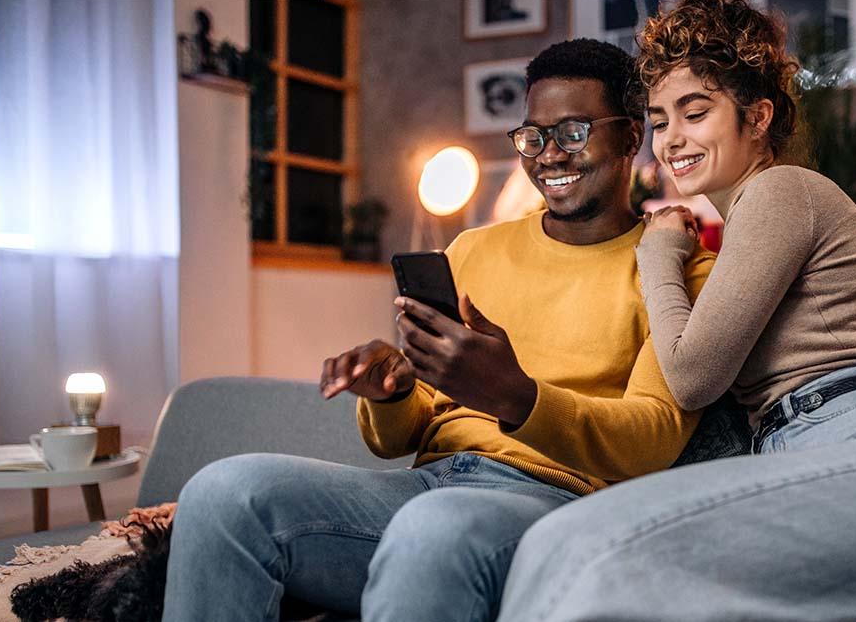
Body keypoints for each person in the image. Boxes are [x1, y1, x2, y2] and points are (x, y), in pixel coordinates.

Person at [161, 38, 714, 622]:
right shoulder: (475, 248)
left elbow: (652, 439)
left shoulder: (676, 267)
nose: (549, 155)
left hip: (560, 503)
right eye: (532, 136)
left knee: (435, 527)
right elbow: (398, 438)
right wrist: (395, 391)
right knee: (223, 491)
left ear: (631, 136)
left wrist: (514, 395)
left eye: (574, 132)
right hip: (428, 484)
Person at [496, 0, 856, 621]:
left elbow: (693, 375)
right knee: (578, 552)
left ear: (757, 117)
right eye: (659, 119)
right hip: (821, 453)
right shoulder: (741, 227)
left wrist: (657, 252)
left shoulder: (781, 190)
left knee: (579, 539)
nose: (672, 139)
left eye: (695, 113)